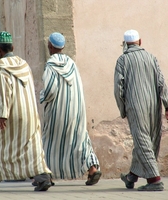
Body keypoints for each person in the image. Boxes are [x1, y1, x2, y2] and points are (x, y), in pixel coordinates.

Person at [0, 31, 52, 192]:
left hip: (13, 115)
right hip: (30, 114)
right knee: (32, 147)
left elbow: (4, 95)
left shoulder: (1, 71)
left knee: (2, 146)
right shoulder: (25, 65)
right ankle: (43, 177)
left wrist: (2, 115)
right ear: (13, 47)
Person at [33, 32, 101, 186]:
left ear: (50, 46)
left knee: (49, 142)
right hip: (76, 111)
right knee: (81, 140)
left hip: (58, 111)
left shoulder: (51, 65)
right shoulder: (72, 63)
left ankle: (46, 176)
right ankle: (92, 170)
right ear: (62, 47)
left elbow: (50, 89)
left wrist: (42, 95)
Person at [114, 29, 168, 191]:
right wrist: (167, 105)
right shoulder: (152, 58)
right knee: (148, 139)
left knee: (142, 141)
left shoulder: (122, 60)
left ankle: (155, 181)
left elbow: (118, 89)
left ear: (124, 44)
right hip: (154, 105)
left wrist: (122, 109)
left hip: (136, 107)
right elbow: (162, 83)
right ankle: (132, 176)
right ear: (140, 41)